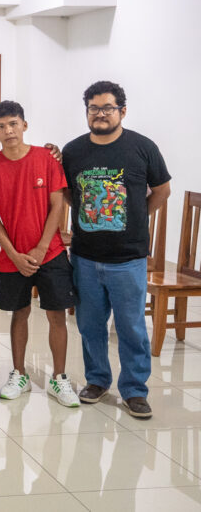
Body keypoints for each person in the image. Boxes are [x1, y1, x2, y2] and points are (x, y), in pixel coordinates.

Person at [62, 81, 170, 419]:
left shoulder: (142, 147)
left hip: (128, 258)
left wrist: (135, 216)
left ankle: (135, 390)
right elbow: (67, 193)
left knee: (131, 328)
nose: (100, 114)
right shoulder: (74, 150)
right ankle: (97, 381)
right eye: (93, 108)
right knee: (90, 326)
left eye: (107, 108)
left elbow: (162, 191)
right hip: (85, 255)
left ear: (122, 111)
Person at [0, 101, 79, 407]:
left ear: (24, 125)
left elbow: (57, 205)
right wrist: (13, 253)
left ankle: (59, 378)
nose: (8, 131)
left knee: (56, 315)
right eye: (1, 126)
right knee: (18, 313)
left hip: (50, 253)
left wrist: (39, 247)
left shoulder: (47, 159)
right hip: (13, 256)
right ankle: (18, 373)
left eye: (13, 124)